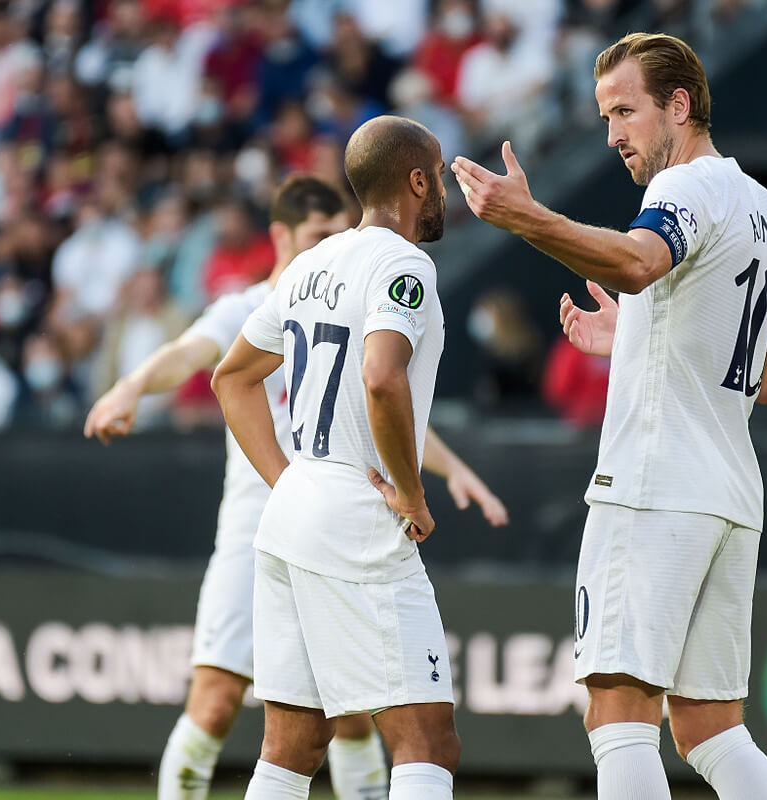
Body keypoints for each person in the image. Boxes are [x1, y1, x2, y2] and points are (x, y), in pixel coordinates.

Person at [86, 173, 507, 800]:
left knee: (307, 738)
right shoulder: (285, 291)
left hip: (293, 510)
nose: (332, 239)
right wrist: (131, 385)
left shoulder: (318, 278)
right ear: (282, 235)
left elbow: (356, 401)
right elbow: (378, 383)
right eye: (317, 232)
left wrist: (449, 469)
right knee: (414, 734)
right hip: (314, 510)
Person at [452, 32, 767, 800]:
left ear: (679, 104)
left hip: (655, 482)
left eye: (624, 111)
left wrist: (526, 218)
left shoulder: (684, 189)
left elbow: (640, 261)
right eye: (606, 115)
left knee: (618, 716)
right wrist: (638, 335)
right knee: (712, 728)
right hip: (730, 493)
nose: (611, 135)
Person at [211, 117, 471, 800]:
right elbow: (382, 376)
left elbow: (231, 378)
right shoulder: (404, 264)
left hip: (293, 511)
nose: (442, 187)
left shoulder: (307, 265)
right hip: (358, 512)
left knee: (292, 744)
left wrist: (290, 482)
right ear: (417, 180)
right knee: (427, 738)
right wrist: (413, 494)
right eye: (438, 173)